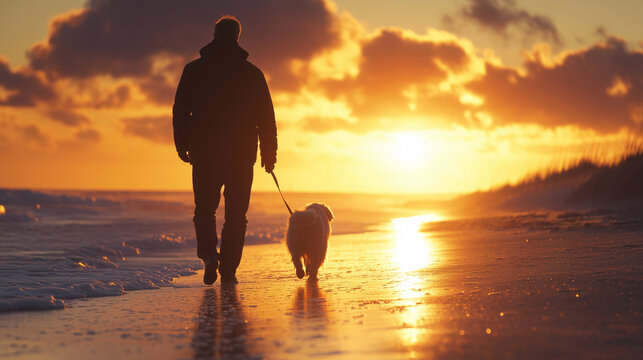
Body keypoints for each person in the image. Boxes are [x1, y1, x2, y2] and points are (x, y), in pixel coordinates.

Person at [172, 16, 277, 285]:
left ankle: (209, 255)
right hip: (241, 156)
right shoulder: (253, 74)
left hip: (205, 153)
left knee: (204, 211)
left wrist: (182, 144)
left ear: (215, 35)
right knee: (236, 216)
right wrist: (269, 154)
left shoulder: (193, 70)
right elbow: (266, 118)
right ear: (237, 37)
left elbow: (180, 111)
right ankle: (228, 270)